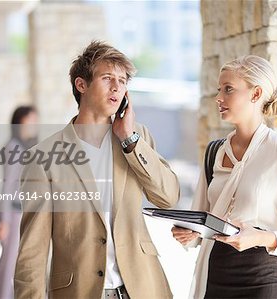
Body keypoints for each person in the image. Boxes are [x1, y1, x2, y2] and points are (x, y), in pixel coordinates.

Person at [14, 41, 180, 299]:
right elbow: (32, 251)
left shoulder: (138, 138)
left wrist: (129, 140)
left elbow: (168, 197)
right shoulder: (43, 157)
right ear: (82, 85)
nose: (117, 86)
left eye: (123, 81)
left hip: (141, 289)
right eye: (107, 78)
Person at [172, 55, 277, 298]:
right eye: (219, 90)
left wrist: (260, 237)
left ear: (255, 93)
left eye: (228, 89)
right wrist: (190, 233)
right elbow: (201, 219)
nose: (219, 98)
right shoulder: (214, 152)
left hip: (262, 281)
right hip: (215, 277)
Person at [0, 106, 38, 299]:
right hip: (13, 215)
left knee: (16, 264)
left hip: (23, 213)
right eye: (30, 120)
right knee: (8, 266)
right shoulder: (13, 147)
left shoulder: (26, 146)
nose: (34, 124)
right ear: (20, 122)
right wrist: (4, 221)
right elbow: (8, 185)